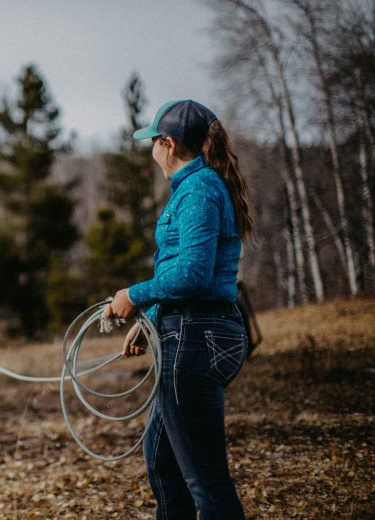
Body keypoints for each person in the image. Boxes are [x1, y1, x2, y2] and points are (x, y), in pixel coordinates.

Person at [104, 100, 255, 519]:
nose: (151, 148)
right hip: (188, 330)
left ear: (168, 144)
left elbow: (192, 273)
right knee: (164, 465)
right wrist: (151, 321)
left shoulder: (199, 190)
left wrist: (134, 296)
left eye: (153, 140)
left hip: (195, 338)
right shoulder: (198, 188)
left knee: (205, 479)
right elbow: (187, 274)